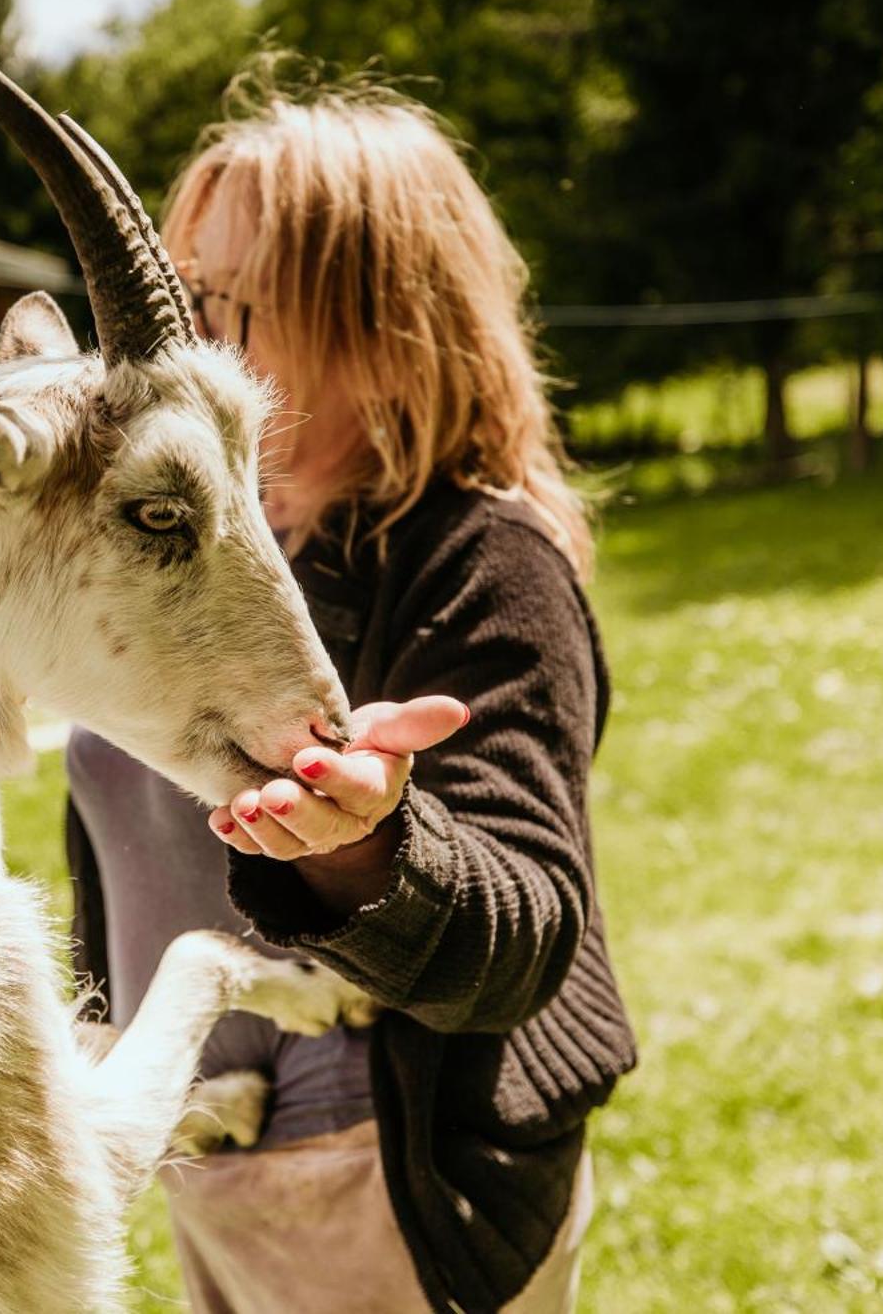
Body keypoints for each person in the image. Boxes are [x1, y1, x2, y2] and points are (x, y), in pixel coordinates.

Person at [63, 70, 636, 1314]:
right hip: (215, 1160)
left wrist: (373, 843)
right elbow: (113, 830)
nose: (192, 345)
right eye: (184, 296)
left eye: (237, 307)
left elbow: (524, 934)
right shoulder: (200, 551)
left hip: (389, 1172)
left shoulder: (484, 563)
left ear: (386, 328)